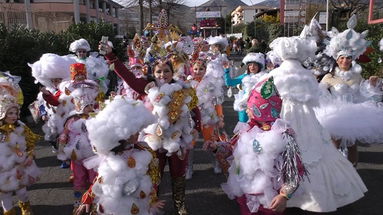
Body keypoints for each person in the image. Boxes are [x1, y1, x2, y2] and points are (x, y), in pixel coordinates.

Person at [268, 35, 367, 213]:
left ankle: (282, 193)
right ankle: (312, 195)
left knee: (282, 150)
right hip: (306, 117)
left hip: (282, 115)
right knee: (315, 150)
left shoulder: (276, 73)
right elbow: (317, 95)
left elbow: (265, 96)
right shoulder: (306, 74)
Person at [102, 43, 200, 215]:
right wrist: (111, 56)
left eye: (166, 71)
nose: (163, 75)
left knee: (178, 174)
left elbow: (195, 109)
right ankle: (153, 206)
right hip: (153, 141)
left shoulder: (184, 89)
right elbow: (127, 76)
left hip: (178, 140)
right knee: (154, 175)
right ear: (153, 73)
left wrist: (196, 128)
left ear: (173, 72)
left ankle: (180, 205)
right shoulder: (146, 88)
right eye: (159, 72)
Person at [205, 77, 308, 215]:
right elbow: (231, 149)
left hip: (270, 197)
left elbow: (295, 170)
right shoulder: (247, 129)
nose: (247, 112)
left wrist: (284, 196)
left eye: (250, 108)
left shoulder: (283, 135)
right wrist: (217, 147)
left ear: (262, 109)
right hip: (246, 193)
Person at [74, 97, 164, 215]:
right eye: (132, 131)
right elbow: (101, 180)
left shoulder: (144, 151)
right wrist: (88, 198)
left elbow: (152, 180)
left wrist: (152, 200)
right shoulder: (111, 155)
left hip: (138, 203)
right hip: (112, 205)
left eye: (137, 129)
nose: (137, 133)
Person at [318, 15, 383, 165]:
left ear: (352, 59)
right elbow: (318, 93)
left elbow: (363, 94)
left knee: (353, 145)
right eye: (342, 58)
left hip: (354, 113)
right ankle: (334, 170)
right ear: (337, 59)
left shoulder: (357, 76)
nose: (345, 61)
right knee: (335, 143)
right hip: (336, 115)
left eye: (348, 58)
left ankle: (352, 171)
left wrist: (372, 85)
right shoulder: (329, 77)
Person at [29, 53, 75, 165]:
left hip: (64, 119)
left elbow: (58, 101)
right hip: (50, 120)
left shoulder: (66, 90)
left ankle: (66, 158)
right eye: (53, 80)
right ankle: (62, 155)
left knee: (65, 138)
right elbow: (40, 104)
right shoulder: (45, 90)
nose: (56, 83)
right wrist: (43, 113)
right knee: (51, 139)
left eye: (58, 80)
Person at [58, 86, 99, 210]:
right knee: (79, 177)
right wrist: (64, 136)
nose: (90, 108)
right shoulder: (72, 119)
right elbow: (65, 132)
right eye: (87, 106)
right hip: (76, 155)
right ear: (79, 107)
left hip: (92, 154)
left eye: (91, 105)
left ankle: (94, 198)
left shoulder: (94, 118)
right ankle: (79, 199)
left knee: (94, 176)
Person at [0, 94, 41, 215]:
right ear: (2, 113)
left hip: (19, 165)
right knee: (4, 193)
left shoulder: (21, 127)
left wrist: (30, 155)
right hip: (2, 168)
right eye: (10, 113)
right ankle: (8, 211)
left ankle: (25, 205)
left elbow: (30, 143)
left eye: (15, 113)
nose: (14, 116)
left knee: (21, 190)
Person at [224, 53, 267, 126]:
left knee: (257, 127)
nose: (252, 67)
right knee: (244, 126)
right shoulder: (244, 76)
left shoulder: (264, 76)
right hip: (244, 106)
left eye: (255, 65)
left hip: (258, 106)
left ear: (259, 66)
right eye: (250, 65)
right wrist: (226, 70)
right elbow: (229, 83)